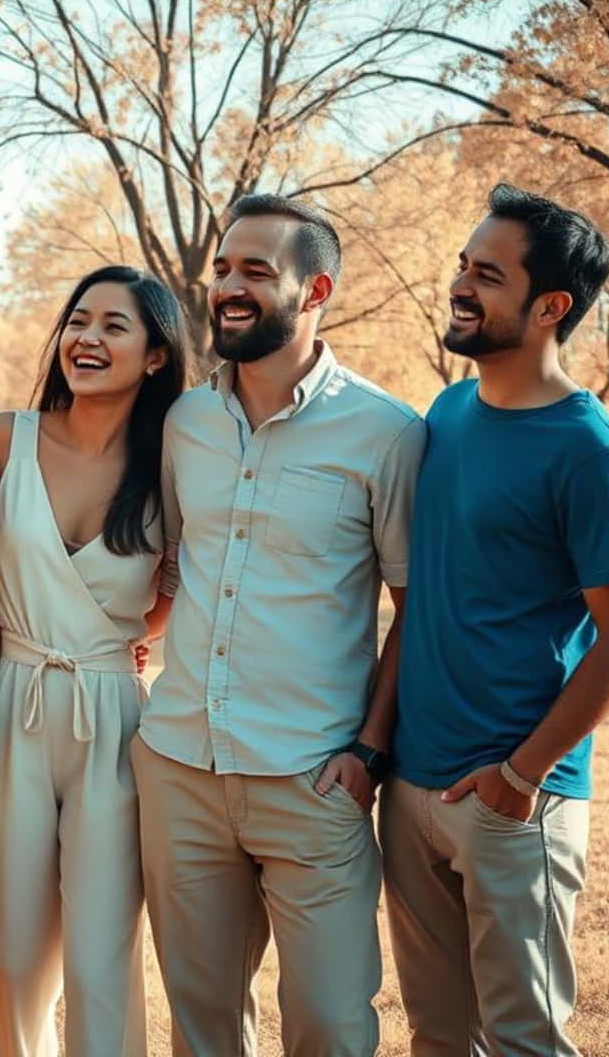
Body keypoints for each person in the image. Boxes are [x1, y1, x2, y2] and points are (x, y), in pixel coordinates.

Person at [139, 195, 424, 1056]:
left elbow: (414, 610)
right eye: (223, 269)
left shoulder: (387, 433)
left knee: (333, 1028)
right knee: (202, 1025)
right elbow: (171, 565)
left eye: (256, 272)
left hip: (314, 780)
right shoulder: (185, 423)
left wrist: (368, 751)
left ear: (317, 288)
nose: (228, 285)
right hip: (181, 768)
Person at [384, 184, 609, 1057]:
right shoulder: (446, 413)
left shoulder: (590, 448)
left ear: (550, 307)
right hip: (413, 786)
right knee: (436, 1035)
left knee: (524, 1040)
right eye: (464, 266)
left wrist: (520, 776)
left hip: (512, 800)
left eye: (487, 276)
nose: (460, 285)